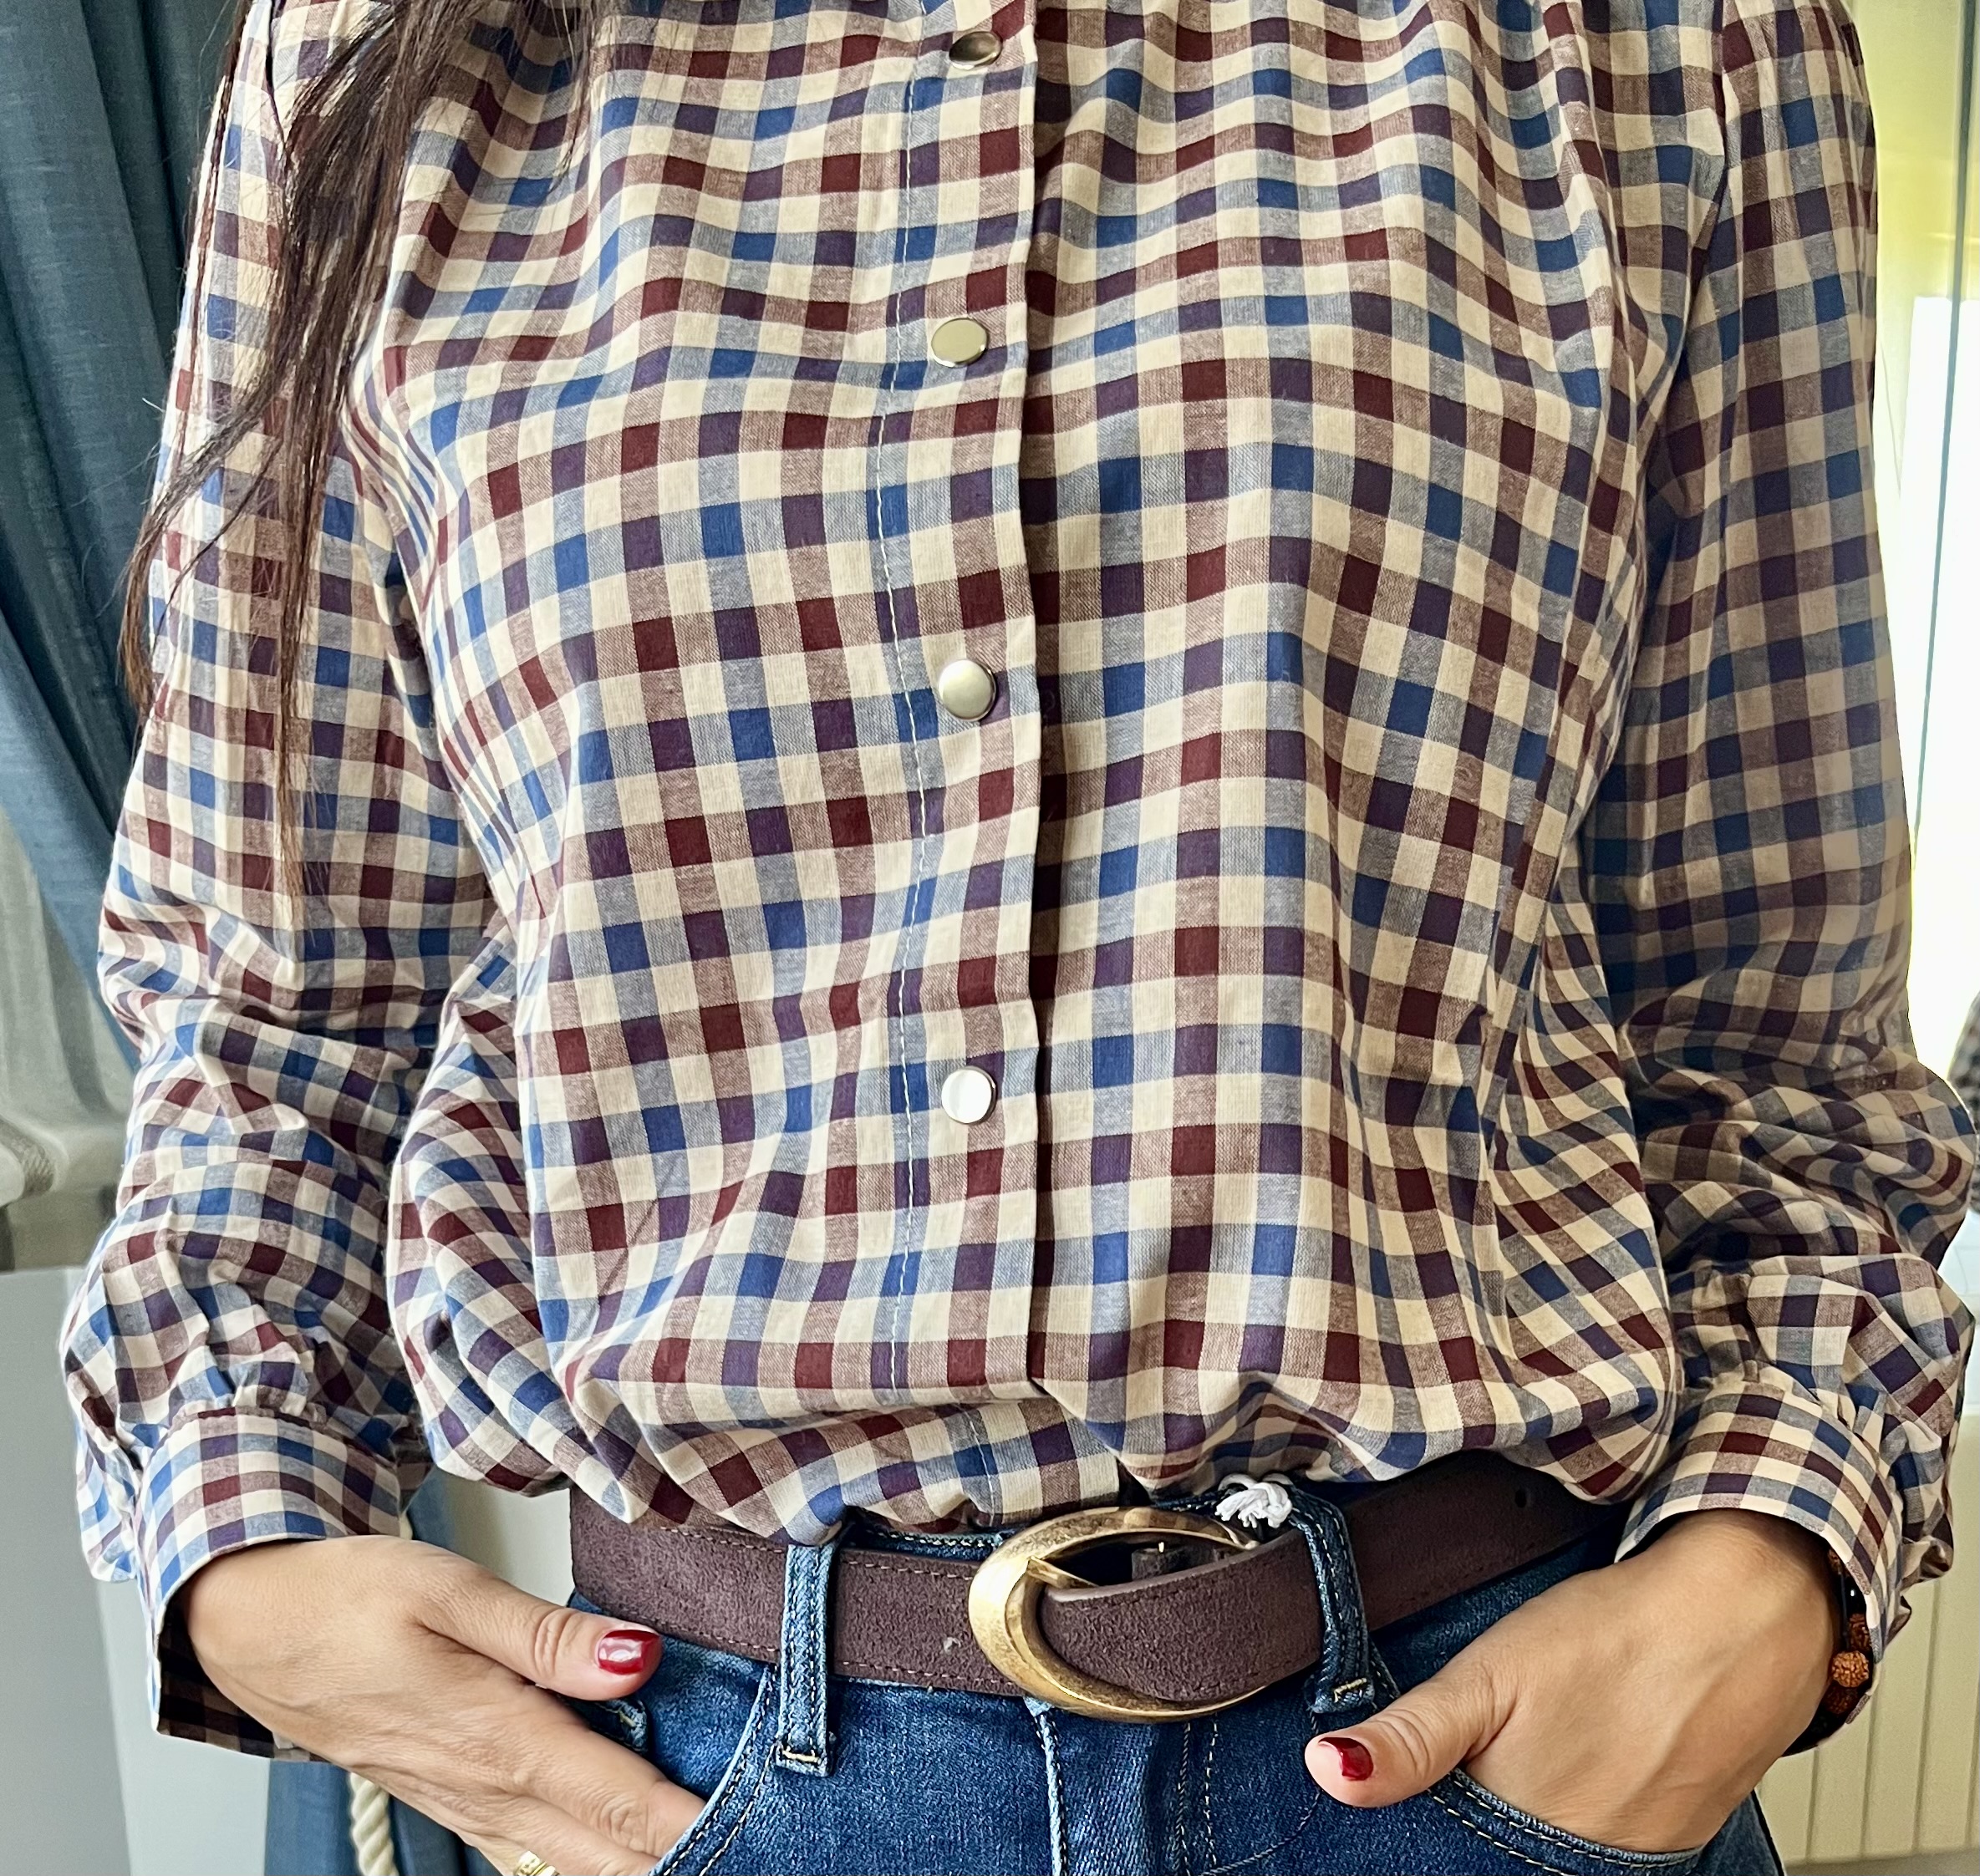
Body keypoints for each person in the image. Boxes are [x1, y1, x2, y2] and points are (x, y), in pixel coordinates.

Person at [61, 1, 1975, 1873]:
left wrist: (1772, 1548)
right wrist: (239, 1526)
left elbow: (1765, 1005)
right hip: (696, 1775)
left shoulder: (1653, 42)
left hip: (1475, 1749)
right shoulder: (383, 53)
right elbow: (285, 993)